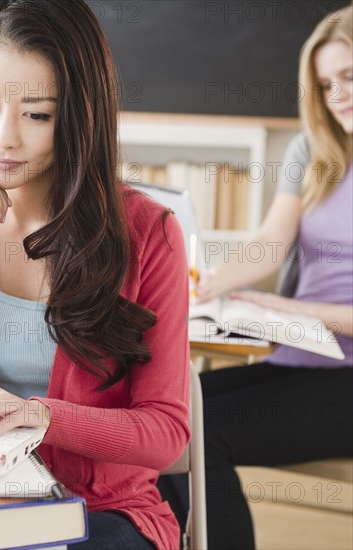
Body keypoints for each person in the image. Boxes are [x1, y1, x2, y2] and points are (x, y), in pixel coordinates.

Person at [0, 1, 190, 548]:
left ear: (78, 114)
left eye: (37, 114)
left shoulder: (148, 233)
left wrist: (39, 416)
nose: (2, 138)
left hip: (99, 512)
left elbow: (166, 434)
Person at [159, 6, 353, 549]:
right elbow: (269, 243)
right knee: (166, 416)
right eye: (324, 84)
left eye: (349, 77)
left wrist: (298, 311)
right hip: (299, 357)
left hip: (346, 379)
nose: (337, 95)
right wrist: (207, 281)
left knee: (197, 436)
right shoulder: (313, 150)